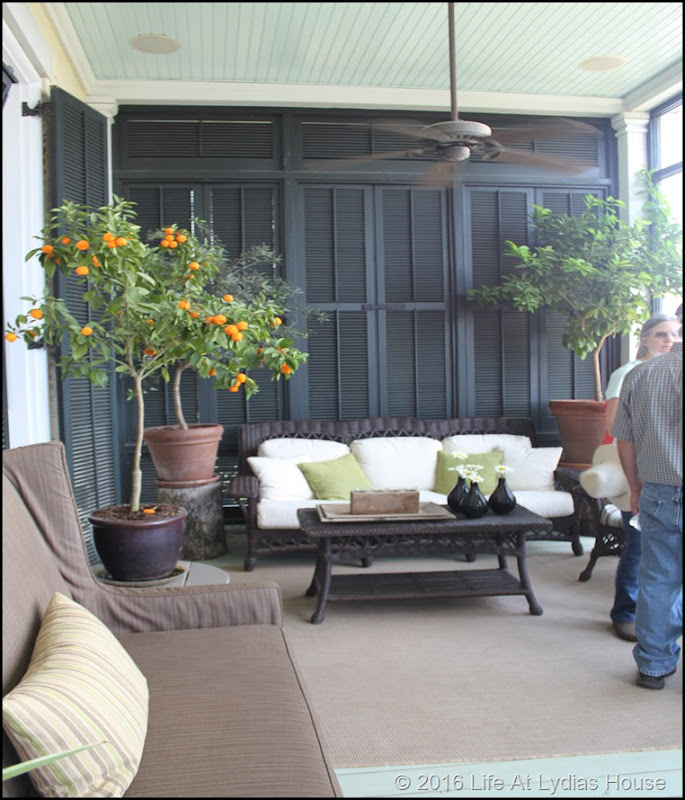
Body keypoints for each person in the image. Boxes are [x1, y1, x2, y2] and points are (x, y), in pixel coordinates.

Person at [612, 304, 683, 690]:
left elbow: (624, 439)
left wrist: (635, 488)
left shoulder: (641, 374)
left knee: (658, 580)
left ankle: (654, 667)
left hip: (658, 491)